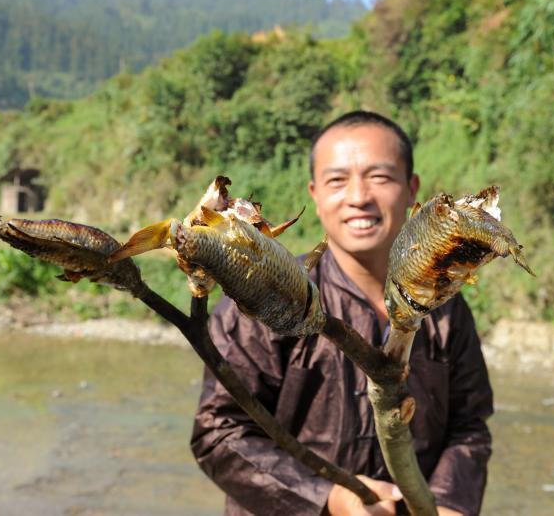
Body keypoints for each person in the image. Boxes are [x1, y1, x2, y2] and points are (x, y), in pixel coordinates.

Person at [191, 111, 493, 515]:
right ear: (315, 194)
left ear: (411, 189)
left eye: (380, 177)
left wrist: (450, 504)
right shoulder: (262, 299)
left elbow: (469, 426)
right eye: (337, 180)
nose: (358, 197)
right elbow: (218, 433)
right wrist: (329, 497)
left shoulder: (446, 308)